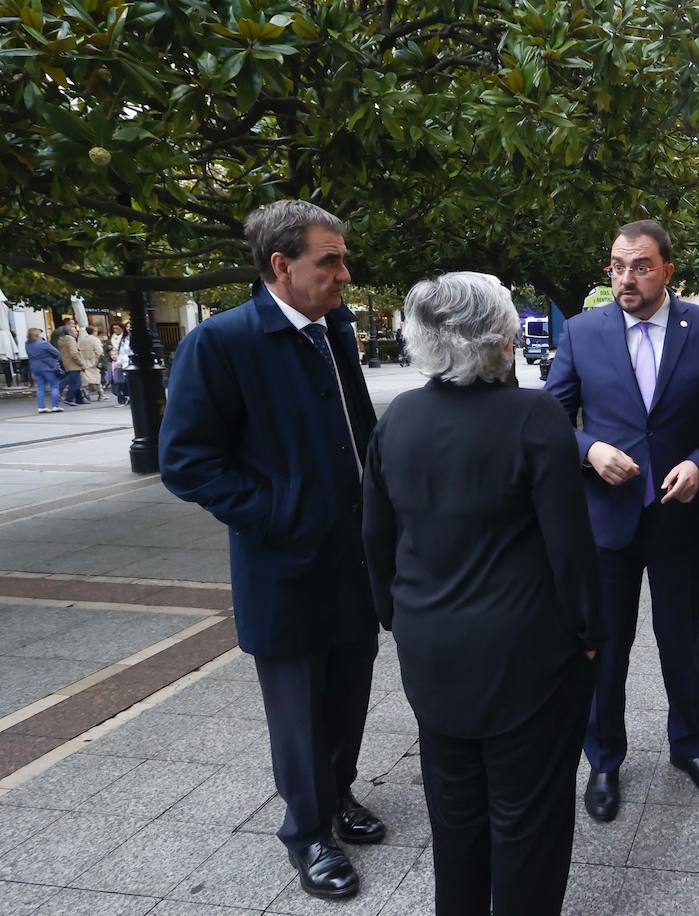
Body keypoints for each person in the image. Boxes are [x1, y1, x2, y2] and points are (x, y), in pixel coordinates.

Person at [160, 200, 386, 901]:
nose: (345, 273)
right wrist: (280, 516)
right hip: (283, 567)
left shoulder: (334, 331)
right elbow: (187, 461)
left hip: (354, 556)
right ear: (282, 265)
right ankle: (309, 832)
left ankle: (339, 791)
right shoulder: (221, 343)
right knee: (297, 704)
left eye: (343, 258)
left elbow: (357, 427)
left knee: (349, 690)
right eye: (331, 260)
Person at [363, 272, 603, 916]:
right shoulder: (534, 416)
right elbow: (569, 548)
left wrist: (396, 618)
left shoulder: (400, 417)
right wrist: (589, 638)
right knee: (528, 823)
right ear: (501, 336)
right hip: (526, 658)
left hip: (432, 650)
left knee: (457, 818)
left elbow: (376, 535)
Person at [544, 219, 699, 822]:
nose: (625, 278)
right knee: (606, 645)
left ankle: (689, 747)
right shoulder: (583, 332)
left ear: (667, 270)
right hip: (605, 518)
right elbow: (551, 415)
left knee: (681, 639)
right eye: (616, 266)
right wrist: (589, 451)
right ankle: (604, 759)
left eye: (639, 266)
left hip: (680, 515)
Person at [24, 328, 64, 414]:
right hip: (47, 367)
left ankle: (41, 407)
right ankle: (55, 406)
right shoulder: (43, 343)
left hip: (35, 367)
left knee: (40, 387)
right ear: (37, 335)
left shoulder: (27, 344)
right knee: (54, 385)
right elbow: (56, 352)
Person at [57, 326, 85, 406]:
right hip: (74, 364)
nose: (77, 332)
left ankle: (66, 396)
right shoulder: (71, 341)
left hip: (67, 363)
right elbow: (74, 354)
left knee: (71, 381)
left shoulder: (63, 340)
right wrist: (81, 363)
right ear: (70, 333)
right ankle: (68, 398)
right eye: (75, 331)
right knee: (75, 383)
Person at [78, 326, 104, 400]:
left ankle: (86, 394)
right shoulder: (95, 339)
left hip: (84, 360)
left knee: (86, 379)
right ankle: (100, 394)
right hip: (93, 360)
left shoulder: (82, 340)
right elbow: (99, 351)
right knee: (96, 378)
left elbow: (79, 348)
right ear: (94, 331)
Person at [109, 322, 130, 404]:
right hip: (116, 361)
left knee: (125, 380)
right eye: (114, 328)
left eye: (117, 328)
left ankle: (125, 396)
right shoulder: (112, 338)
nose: (115, 330)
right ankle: (121, 396)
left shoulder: (125, 337)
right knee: (117, 380)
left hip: (125, 361)